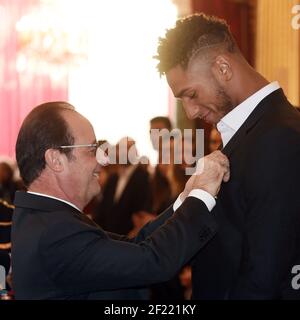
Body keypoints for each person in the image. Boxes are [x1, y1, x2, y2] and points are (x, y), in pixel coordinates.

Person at [11, 101, 230, 299]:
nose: (104, 158)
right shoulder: (55, 231)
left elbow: (136, 246)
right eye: (91, 149)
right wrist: (202, 194)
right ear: (56, 160)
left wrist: (186, 197)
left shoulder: (47, 220)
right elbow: (153, 261)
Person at [156, 13, 300, 299]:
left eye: (192, 94)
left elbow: (264, 277)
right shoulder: (250, 133)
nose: (191, 112)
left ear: (223, 67)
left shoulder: (278, 137)